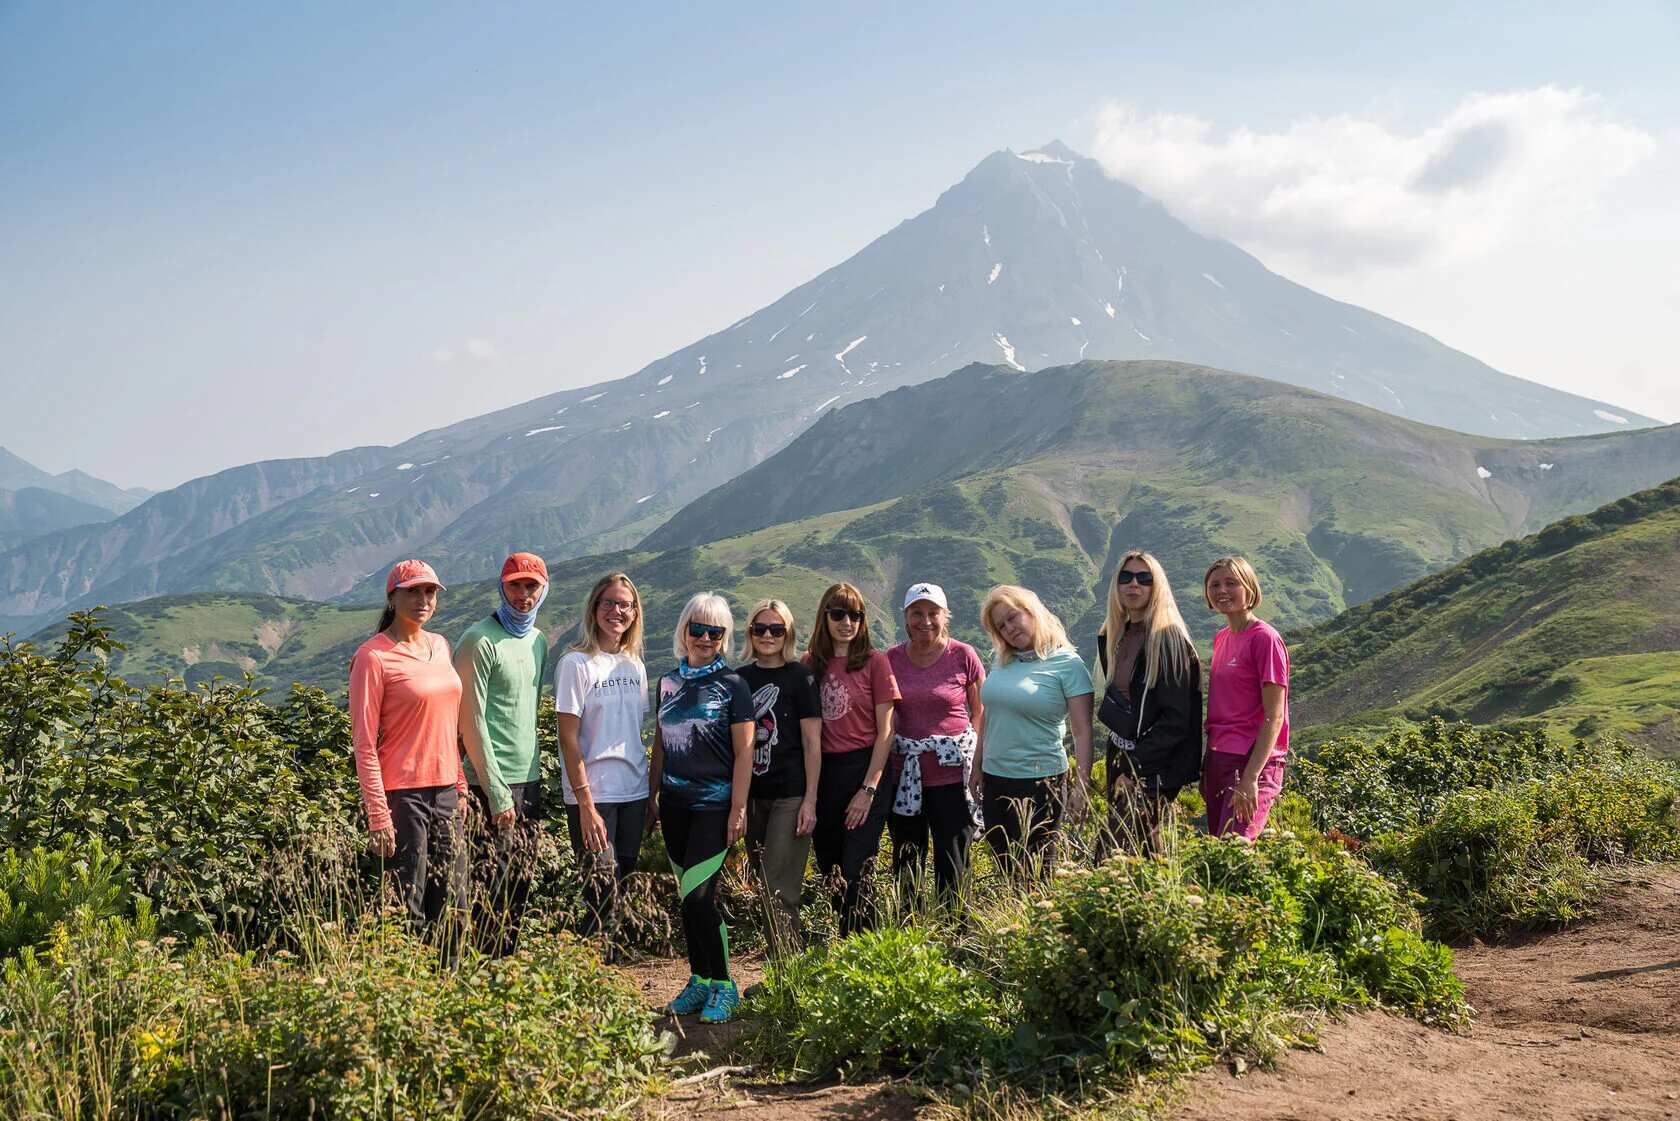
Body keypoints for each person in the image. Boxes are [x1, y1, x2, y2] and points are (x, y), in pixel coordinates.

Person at [349, 559, 468, 950]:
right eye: (413, 591)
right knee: (408, 902)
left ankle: (448, 991)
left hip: (446, 790)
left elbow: (447, 723)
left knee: (452, 900)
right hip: (403, 795)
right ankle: (409, 993)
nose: (423, 599)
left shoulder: (441, 645)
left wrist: (461, 782)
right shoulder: (373, 657)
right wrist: (378, 813)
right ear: (392, 597)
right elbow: (364, 743)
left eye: (430, 592)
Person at [649, 593, 754, 1024]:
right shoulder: (668, 682)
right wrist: (653, 794)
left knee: (699, 897)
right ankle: (699, 979)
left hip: (714, 805)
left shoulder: (733, 686)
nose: (706, 638)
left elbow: (745, 753)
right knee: (687, 897)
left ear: (725, 637)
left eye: (716, 632)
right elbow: (659, 741)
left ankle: (725, 985)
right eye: (698, 629)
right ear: (684, 630)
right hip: (674, 805)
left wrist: (739, 808)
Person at [455, 552, 552, 957]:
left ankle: (505, 973)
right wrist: (494, 790)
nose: (523, 594)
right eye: (515, 585)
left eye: (532, 586)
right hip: (487, 782)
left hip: (528, 779)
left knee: (518, 885)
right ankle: (481, 976)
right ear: (501, 586)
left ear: (544, 590)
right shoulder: (478, 640)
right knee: (486, 887)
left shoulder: (538, 640)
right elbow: (470, 721)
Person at [553, 572, 650, 951]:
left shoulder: (634, 665)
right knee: (599, 883)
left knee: (623, 881)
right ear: (594, 609)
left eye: (625, 604)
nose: (617, 611)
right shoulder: (576, 664)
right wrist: (586, 804)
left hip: (633, 790)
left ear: (634, 613)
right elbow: (567, 738)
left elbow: (632, 731)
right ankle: (594, 972)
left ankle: (614, 969)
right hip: (593, 793)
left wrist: (650, 793)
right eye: (608, 603)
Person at [972, 584, 1094, 880]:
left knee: (1037, 872)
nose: (1009, 629)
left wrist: (1082, 787)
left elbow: (1082, 732)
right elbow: (989, 715)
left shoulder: (1068, 664)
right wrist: (976, 765)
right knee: (1005, 869)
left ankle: (1038, 927)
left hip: (1041, 783)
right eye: (1001, 626)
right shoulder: (1001, 661)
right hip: (995, 780)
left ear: (1032, 612)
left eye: (1013, 618)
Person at [804, 582, 899, 934]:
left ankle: (865, 949)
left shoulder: (876, 662)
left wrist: (869, 789)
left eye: (855, 615)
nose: (847, 622)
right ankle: (845, 947)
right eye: (838, 613)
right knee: (829, 867)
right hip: (825, 773)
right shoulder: (810, 665)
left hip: (866, 768)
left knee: (857, 867)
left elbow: (886, 732)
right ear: (824, 617)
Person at [1093, 551, 1202, 856]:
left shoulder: (1169, 642)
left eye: (1145, 578)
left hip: (1153, 763)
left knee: (1113, 851)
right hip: (1121, 753)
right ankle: (1157, 900)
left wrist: (1136, 765)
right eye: (1126, 577)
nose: (1134, 585)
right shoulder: (1115, 635)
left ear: (1157, 587)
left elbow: (1176, 720)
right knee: (1140, 847)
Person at [886, 582, 985, 904]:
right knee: (907, 858)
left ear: (946, 617)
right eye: (917, 613)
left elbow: (981, 710)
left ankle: (955, 931)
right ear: (905, 617)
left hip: (952, 776)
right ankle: (911, 930)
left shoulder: (963, 655)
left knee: (953, 857)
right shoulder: (892, 659)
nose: (925, 621)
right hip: (905, 775)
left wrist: (976, 760)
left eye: (933, 613)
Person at [736, 599, 821, 949]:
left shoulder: (799, 678)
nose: (767, 635)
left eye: (776, 629)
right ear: (750, 633)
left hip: (790, 793)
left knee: (778, 885)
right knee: (764, 883)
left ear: (788, 633)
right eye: (760, 629)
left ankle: (787, 973)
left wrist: (810, 801)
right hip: (753, 796)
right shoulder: (739, 679)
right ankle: (784, 967)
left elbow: (812, 744)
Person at [1202, 556, 1291, 841]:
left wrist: (1252, 777)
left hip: (1251, 761)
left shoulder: (1265, 639)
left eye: (1231, 583)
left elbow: (1274, 716)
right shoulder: (1221, 638)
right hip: (1220, 757)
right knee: (1219, 847)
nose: (1222, 590)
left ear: (1249, 587)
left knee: (1236, 847)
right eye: (1214, 585)